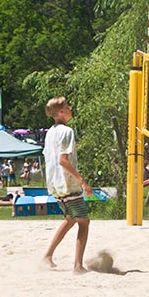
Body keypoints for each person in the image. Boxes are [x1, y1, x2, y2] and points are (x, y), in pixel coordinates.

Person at [41, 96, 91, 274]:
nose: (71, 108)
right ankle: (78, 266)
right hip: (67, 184)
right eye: (67, 106)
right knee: (84, 222)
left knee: (70, 219)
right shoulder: (66, 131)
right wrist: (82, 181)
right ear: (60, 111)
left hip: (55, 184)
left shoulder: (50, 132)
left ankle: (47, 256)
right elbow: (63, 161)